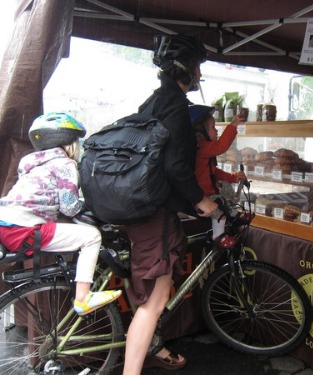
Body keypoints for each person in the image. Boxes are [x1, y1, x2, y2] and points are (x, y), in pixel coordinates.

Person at [122, 34, 218, 374]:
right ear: (186, 70)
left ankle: (155, 345)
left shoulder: (153, 101)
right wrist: (200, 200)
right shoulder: (176, 106)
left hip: (139, 207)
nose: (199, 76)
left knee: (148, 294)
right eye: (197, 68)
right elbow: (176, 165)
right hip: (154, 213)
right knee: (155, 301)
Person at [0, 112, 122, 316]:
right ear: (70, 143)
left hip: (5, 222)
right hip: (24, 229)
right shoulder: (65, 164)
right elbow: (69, 207)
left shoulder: (29, 163)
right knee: (92, 237)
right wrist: (87, 204)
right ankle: (83, 298)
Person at [189, 104, 246, 240]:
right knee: (219, 211)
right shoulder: (201, 147)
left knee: (226, 189)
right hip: (204, 197)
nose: (216, 131)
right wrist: (232, 126)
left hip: (209, 191)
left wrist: (233, 177)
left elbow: (214, 172)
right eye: (213, 128)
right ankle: (219, 235)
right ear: (200, 131)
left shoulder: (203, 150)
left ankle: (233, 212)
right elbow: (221, 146)